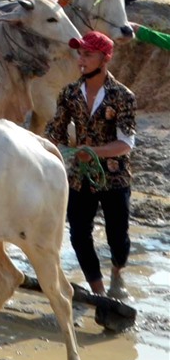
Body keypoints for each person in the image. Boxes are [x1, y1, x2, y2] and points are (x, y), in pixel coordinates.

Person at [44, 30, 138, 302]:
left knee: (117, 235)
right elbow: (55, 133)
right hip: (79, 178)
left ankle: (117, 273)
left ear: (104, 58)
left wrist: (90, 152)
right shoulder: (69, 93)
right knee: (78, 233)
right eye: (80, 54)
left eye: (88, 54)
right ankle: (99, 291)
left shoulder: (123, 96)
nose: (81, 60)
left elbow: (125, 144)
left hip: (114, 177)